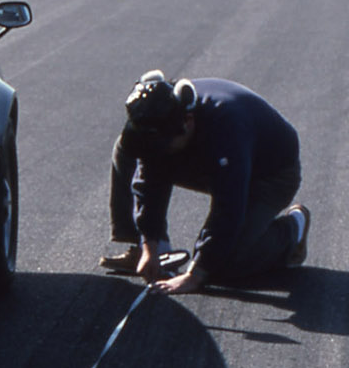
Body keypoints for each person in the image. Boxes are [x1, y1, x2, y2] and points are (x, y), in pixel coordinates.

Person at [99, 71, 310, 295]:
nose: (155, 156)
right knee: (127, 149)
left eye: (162, 147)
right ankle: (149, 251)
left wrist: (195, 274)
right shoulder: (162, 120)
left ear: (188, 122)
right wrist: (148, 244)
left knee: (223, 265)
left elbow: (228, 208)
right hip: (208, 157)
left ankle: (292, 229)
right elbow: (147, 180)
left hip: (269, 175)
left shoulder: (228, 128)